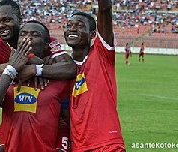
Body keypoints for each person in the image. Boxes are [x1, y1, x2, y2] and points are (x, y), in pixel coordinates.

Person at [0, 20, 71, 152]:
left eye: (35, 34)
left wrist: (38, 68)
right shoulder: (6, 76)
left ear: (46, 45)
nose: (27, 38)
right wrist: (11, 69)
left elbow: (66, 118)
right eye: (23, 34)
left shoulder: (57, 77)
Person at [64, 0, 126, 151]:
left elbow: (105, 9)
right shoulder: (62, 67)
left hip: (106, 144)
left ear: (93, 34)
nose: (72, 29)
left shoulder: (101, 53)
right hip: (77, 146)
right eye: (69, 25)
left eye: (79, 26)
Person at [0, 0, 75, 93]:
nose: (0, 26)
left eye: (7, 20)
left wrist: (36, 69)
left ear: (20, 20)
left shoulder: (43, 39)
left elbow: (70, 68)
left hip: (49, 100)